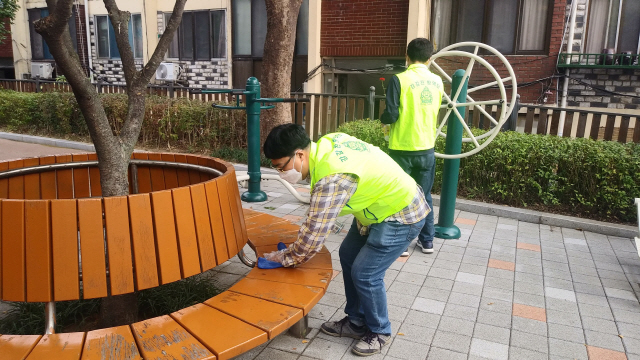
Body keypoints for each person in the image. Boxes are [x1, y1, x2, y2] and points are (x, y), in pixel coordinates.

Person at [261, 124, 430, 357]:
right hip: (376, 209)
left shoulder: (332, 177)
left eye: (281, 167)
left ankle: (380, 331)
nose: (282, 174)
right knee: (348, 255)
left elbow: (315, 232)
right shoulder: (327, 143)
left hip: (401, 214)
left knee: (366, 273)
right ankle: (356, 321)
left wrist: (287, 257)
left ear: (300, 154)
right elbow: (320, 216)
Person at [381, 37, 444, 256]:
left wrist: (381, 118)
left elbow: (391, 114)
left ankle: (402, 245)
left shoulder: (399, 79)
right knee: (424, 196)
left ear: (406, 56)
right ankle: (427, 241)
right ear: (429, 58)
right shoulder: (438, 81)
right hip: (426, 147)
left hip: (401, 149)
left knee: (401, 195)